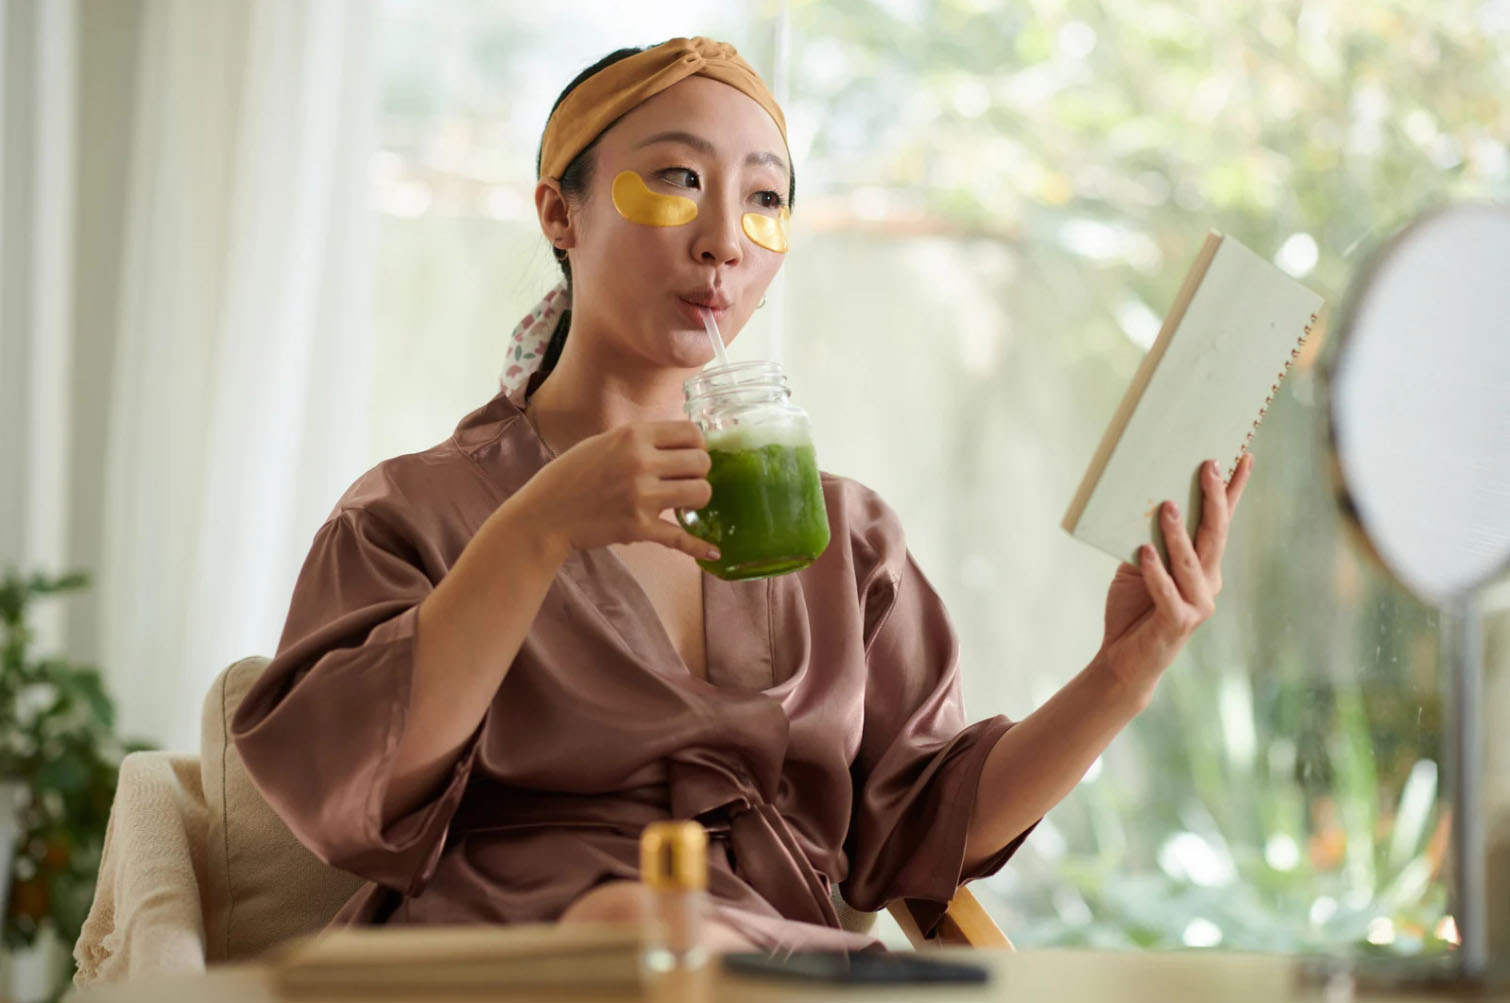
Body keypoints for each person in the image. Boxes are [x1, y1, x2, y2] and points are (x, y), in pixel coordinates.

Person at [231, 36, 1252, 954]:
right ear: (559, 210)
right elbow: (348, 793)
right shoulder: (413, 512)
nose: (725, 236)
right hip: (529, 961)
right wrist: (535, 529)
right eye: (676, 181)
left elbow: (919, 826)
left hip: (775, 959)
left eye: (764, 199)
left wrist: (1123, 671)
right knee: (633, 925)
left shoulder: (842, 535)